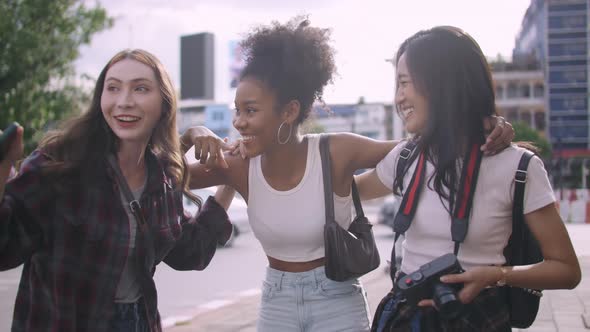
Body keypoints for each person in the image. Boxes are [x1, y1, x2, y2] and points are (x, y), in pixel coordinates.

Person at [180, 18, 515, 331]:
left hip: (337, 299)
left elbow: (419, 149)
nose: (238, 122)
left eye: (250, 110)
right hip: (276, 300)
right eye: (237, 110)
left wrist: (479, 128)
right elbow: (159, 174)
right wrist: (190, 134)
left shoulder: (336, 150)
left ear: (289, 111)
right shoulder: (238, 165)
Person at [355, 26, 581, 331]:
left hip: (477, 320)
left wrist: (497, 275)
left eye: (405, 83)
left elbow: (567, 270)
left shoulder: (519, 167)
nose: (399, 98)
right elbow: (346, 190)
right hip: (406, 320)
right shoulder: (406, 157)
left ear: (442, 84)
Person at [0, 49, 234, 332]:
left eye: (140, 89)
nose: (124, 102)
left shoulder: (162, 176)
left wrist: (228, 184)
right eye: (113, 88)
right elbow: (5, 248)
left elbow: (190, 252)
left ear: (164, 103)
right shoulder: (59, 162)